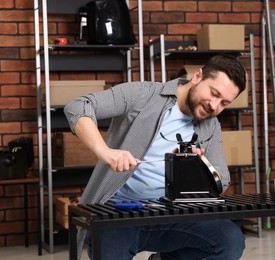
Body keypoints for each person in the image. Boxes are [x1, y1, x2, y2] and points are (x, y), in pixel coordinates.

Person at [64, 54, 247, 260]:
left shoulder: (211, 126)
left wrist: (197, 170)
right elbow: (78, 107)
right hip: (117, 212)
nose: (215, 106)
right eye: (214, 93)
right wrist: (105, 151)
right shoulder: (142, 94)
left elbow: (222, 179)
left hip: (171, 215)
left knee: (229, 240)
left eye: (224, 103)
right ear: (197, 76)